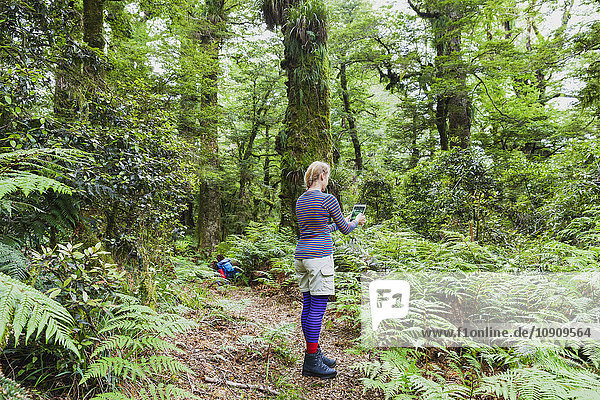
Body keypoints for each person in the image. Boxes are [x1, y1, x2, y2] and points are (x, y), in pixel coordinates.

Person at [294, 161, 366, 379]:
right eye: (327, 176)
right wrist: (356, 221)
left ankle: (314, 353)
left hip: (302, 257)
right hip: (319, 258)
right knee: (317, 308)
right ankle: (311, 361)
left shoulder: (300, 201)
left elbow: (319, 228)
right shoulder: (328, 199)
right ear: (322, 175)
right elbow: (345, 229)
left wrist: (342, 223)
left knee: (308, 306)